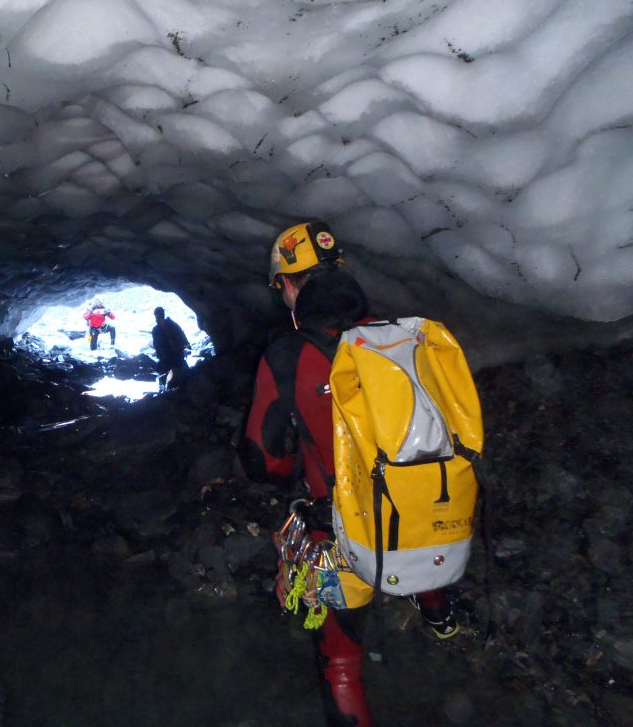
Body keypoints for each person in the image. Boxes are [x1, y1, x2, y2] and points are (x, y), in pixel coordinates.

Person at [241, 222, 458, 727]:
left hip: (344, 534)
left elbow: (264, 463)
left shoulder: (287, 358)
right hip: (428, 517)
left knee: (340, 659)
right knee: (407, 514)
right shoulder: (403, 337)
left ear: (291, 287)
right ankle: (440, 615)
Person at [151, 307, 190, 390]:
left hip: (172, 358)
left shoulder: (159, 329)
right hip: (173, 357)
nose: (157, 317)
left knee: (169, 380)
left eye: (158, 315)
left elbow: (158, 346)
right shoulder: (171, 325)